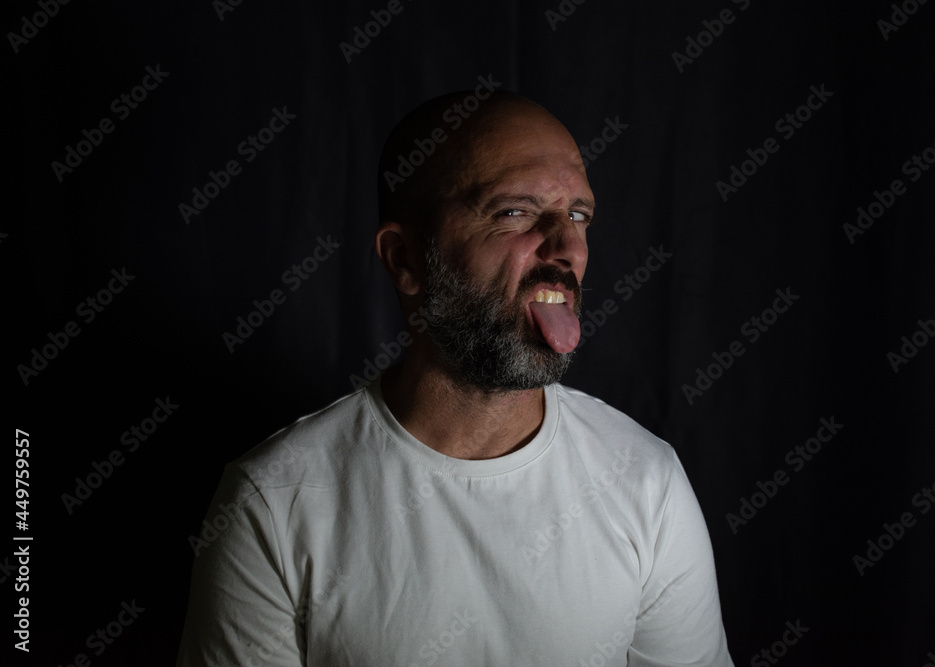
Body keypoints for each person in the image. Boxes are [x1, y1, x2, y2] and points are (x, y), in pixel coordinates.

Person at [177, 91, 735, 666]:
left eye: (577, 215)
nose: (568, 248)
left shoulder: (647, 482)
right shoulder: (272, 504)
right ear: (405, 260)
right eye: (514, 212)